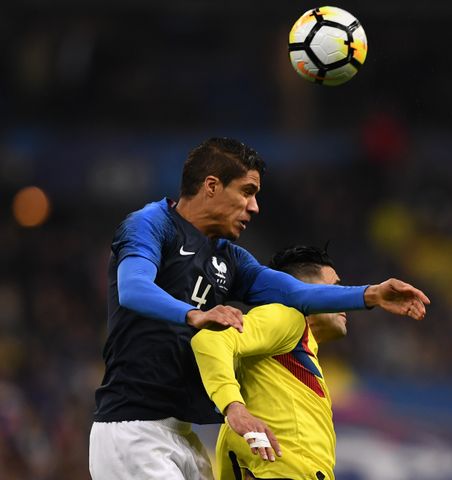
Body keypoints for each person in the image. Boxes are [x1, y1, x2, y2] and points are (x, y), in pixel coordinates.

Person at [88, 137, 430, 480]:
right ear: (211, 186)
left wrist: (371, 294)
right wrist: (193, 314)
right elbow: (133, 288)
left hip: (181, 433)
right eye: (247, 192)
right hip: (131, 428)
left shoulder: (229, 258)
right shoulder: (150, 224)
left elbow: (298, 294)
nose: (254, 207)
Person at [191, 245, 367, 480]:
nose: (343, 301)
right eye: (334, 290)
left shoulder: (293, 351)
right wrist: (234, 406)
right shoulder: (287, 317)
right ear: (303, 291)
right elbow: (212, 337)